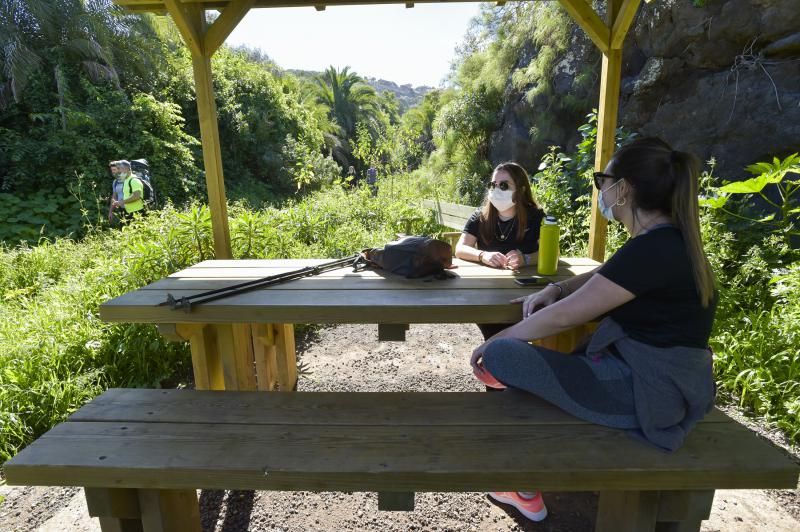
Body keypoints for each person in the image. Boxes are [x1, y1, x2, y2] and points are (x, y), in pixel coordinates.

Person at [470, 138, 717, 522]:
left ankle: (522, 476)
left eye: (605, 179)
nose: (601, 189)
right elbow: (603, 275)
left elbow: (565, 317)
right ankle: (523, 478)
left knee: (503, 355)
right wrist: (557, 287)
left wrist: (500, 339)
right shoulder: (665, 241)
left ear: (625, 188)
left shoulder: (652, 250)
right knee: (533, 369)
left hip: (640, 394)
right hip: (665, 387)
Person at [455, 162, 545, 339]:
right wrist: (482, 255)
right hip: (488, 292)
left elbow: (552, 254)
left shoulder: (537, 217)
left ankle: (496, 355)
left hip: (525, 292)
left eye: (504, 185)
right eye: (493, 185)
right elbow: (460, 248)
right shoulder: (480, 216)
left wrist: (526, 259)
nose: (496, 189)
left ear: (520, 189)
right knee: (495, 331)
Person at [108, 160, 144, 224]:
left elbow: (137, 196)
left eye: (119, 169)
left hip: (136, 212)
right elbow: (115, 196)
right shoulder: (125, 180)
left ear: (126, 169)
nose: (118, 171)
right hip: (126, 211)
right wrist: (111, 210)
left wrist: (121, 202)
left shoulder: (134, 180)